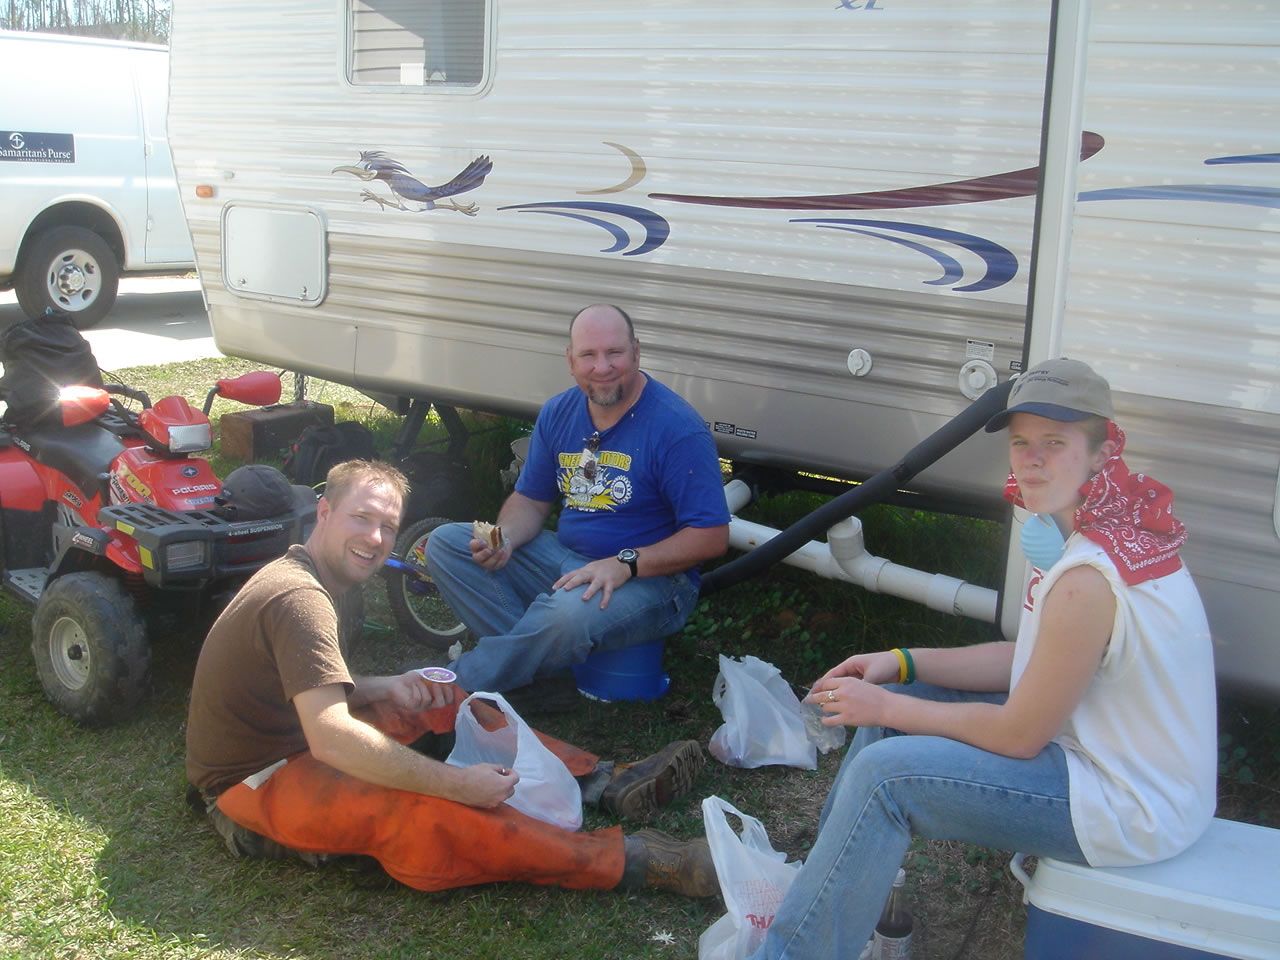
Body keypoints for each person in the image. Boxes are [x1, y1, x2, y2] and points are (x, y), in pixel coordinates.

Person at [749, 358, 1217, 958]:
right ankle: (832, 896)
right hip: (1118, 765)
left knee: (884, 777)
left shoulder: (1087, 578)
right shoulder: (1109, 528)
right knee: (894, 709)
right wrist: (900, 661)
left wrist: (885, 705)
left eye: (1055, 442)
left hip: (1130, 806)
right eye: (1022, 443)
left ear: (1102, 453)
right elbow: (1029, 659)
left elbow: (1020, 735)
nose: (1033, 459)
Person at [186, 459, 717, 897]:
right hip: (254, 781)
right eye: (361, 518)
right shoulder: (299, 598)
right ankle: (633, 859)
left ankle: (605, 780)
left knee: (443, 698)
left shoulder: (320, 576)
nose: (375, 538)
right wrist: (458, 784)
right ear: (324, 513)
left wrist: (387, 686)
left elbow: (311, 688)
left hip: (300, 737)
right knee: (423, 811)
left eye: (387, 526)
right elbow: (331, 737)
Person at [425, 303, 731, 693]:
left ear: (636, 352)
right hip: (568, 560)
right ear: (570, 361)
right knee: (445, 544)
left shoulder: (677, 428)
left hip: (652, 581)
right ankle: (538, 678)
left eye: (614, 352)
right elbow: (530, 500)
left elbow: (711, 536)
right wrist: (503, 538)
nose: (602, 367)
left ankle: (450, 686)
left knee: (566, 615)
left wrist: (625, 563)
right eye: (589, 355)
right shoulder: (558, 412)